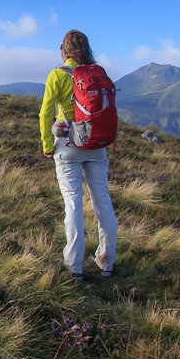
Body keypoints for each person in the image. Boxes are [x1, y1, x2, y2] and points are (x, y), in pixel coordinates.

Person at [39, 29, 118, 281]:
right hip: (97, 145)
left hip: (68, 145)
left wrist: (46, 145)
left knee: (73, 202)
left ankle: (74, 266)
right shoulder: (98, 73)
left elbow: (45, 114)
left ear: (63, 50)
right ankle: (106, 261)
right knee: (102, 201)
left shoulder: (57, 75)